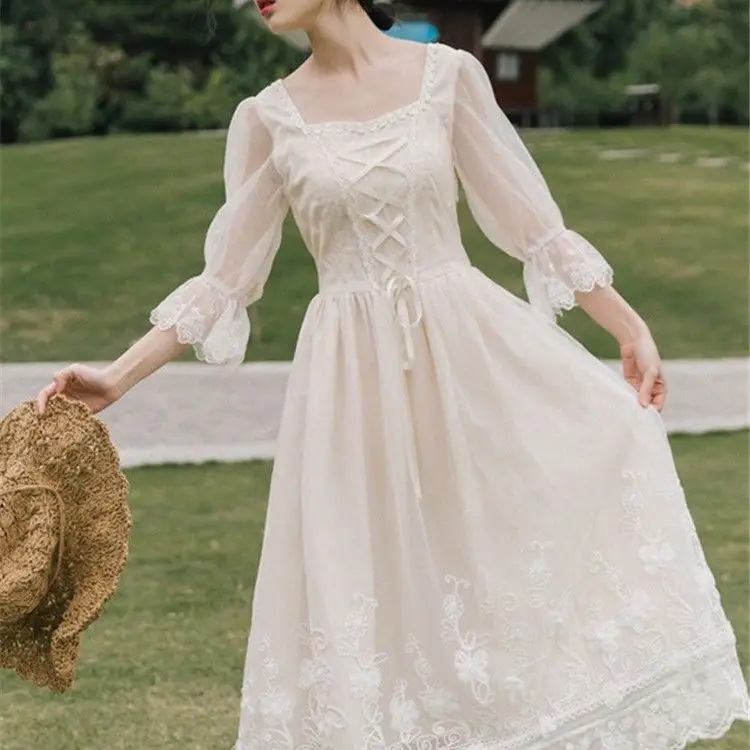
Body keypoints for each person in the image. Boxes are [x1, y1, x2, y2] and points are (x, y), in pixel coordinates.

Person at [37, 0, 750, 747]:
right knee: (372, 583)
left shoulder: (448, 76)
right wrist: (118, 376)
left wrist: (629, 327)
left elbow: (533, 228)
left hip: (469, 355)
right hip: (350, 389)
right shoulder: (269, 117)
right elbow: (224, 281)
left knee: (496, 559)